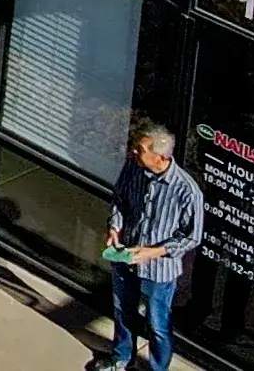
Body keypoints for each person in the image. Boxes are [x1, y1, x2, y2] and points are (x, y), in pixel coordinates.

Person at [100, 121, 205, 371]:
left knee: (158, 324)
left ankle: (157, 368)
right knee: (123, 311)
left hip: (158, 271)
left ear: (159, 157)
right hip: (125, 257)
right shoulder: (132, 168)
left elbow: (192, 236)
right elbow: (120, 199)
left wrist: (153, 252)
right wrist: (115, 227)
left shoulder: (187, 191)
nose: (134, 153)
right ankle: (121, 357)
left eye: (140, 150)